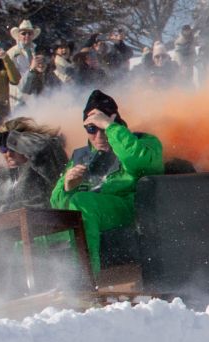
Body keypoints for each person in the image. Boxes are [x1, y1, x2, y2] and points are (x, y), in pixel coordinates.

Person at [50, 90, 164, 276]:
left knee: (82, 203)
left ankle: (84, 281)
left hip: (131, 209)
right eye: (92, 129)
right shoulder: (81, 156)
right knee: (28, 236)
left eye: (102, 128)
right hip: (93, 215)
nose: (99, 136)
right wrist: (67, 186)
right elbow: (58, 206)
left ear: (116, 122)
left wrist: (110, 127)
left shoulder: (142, 142)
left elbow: (141, 161)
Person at [0, 117, 68, 214]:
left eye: (13, 148)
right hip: (13, 229)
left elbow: (43, 147)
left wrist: (4, 139)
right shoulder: (2, 171)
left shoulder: (46, 160)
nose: (8, 154)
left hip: (50, 226)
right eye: (3, 149)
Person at [7, 20, 41, 109]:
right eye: (23, 33)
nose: (27, 36)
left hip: (32, 93)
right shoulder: (12, 52)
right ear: (18, 36)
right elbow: (12, 76)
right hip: (18, 93)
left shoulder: (34, 51)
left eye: (29, 33)